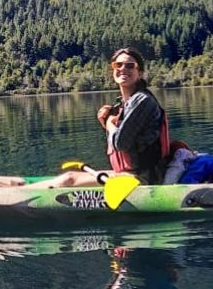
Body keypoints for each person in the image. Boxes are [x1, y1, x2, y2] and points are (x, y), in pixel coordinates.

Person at [33, 47, 170, 188]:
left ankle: (16, 197)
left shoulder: (142, 100)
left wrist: (109, 123)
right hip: (129, 174)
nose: (123, 69)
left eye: (130, 66)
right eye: (118, 65)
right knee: (68, 177)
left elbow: (120, 143)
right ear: (113, 70)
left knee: (69, 180)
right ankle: (16, 187)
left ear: (139, 73)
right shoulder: (124, 103)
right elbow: (127, 141)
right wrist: (106, 124)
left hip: (142, 179)